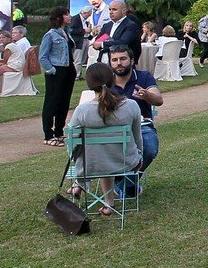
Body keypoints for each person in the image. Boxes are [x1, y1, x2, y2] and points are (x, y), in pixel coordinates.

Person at [67, 62, 143, 216]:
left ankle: (81, 184)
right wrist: (139, 155)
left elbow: (72, 141)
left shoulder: (82, 111)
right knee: (105, 158)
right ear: (112, 78)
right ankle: (108, 204)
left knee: (96, 156)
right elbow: (137, 137)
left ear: (89, 84)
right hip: (125, 163)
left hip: (91, 167)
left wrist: (74, 159)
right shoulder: (131, 106)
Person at [106, 43, 163, 196]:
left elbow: (158, 100)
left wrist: (147, 95)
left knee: (150, 148)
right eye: (114, 60)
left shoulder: (144, 77)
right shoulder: (105, 82)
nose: (119, 63)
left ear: (131, 61)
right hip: (112, 128)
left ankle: (122, 183)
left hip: (141, 126)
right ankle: (127, 184)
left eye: (123, 59)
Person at [39, 7, 77, 145]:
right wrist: (51, 70)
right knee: (52, 101)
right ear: (59, 17)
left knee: (64, 101)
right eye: (66, 14)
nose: (69, 16)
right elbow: (42, 56)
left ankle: (59, 131)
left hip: (68, 69)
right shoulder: (51, 35)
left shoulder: (67, 32)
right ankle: (48, 134)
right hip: (57, 71)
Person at [0, 26, 38, 97]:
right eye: (0, 38)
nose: (1, 39)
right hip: (18, 64)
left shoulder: (9, 46)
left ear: (9, 38)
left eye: (3, 37)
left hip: (16, 65)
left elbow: (5, 61)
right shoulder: (13, 44)